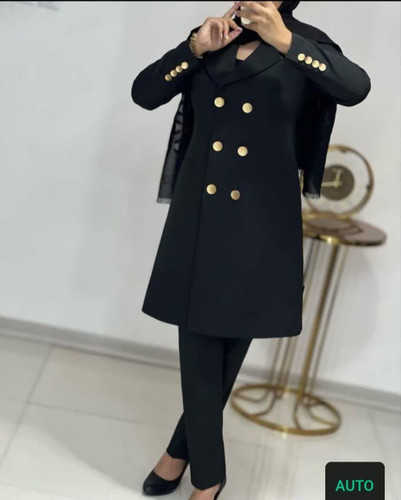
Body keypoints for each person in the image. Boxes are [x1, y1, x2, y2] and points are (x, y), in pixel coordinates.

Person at [131, 1, 371, 498]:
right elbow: (145, 93)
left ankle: (179, 453)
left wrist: (286, 42)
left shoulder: (305, 43)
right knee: (199, 336)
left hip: (261, 219)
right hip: (199, 213)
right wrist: (195, 48)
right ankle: (209, 476)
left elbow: (355, 87)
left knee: (227, 344)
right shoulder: (213, 35)